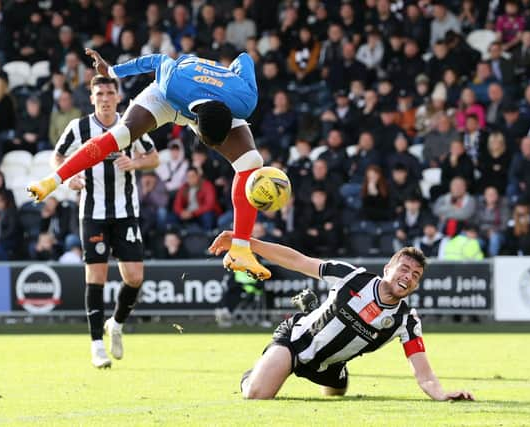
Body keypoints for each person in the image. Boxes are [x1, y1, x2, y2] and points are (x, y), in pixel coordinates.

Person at [28, 49, 271, 280]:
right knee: (120, 136)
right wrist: (112, 71)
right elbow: (158, 59)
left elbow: (244, 59)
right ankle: (53, 179)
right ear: (196, 124)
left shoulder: (245, 101)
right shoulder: (173, 82)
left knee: (252, 161)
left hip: (218, 98)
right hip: (167, 98)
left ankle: (240, 249)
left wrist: (226, 76)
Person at [208, 232, 474, 401]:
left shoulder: (406, 321)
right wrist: (245, 242)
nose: (408, 277)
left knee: (337, 394)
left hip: (330, 367)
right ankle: (252, 375)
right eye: (404, 269)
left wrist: (442, 395)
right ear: (387, 269)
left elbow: (423, 373)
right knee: (256, 394)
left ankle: (337, 369)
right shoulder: (352, 276)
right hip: (295, 343)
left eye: (415, 276)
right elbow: (298, 261)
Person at [50, 75, 159, 369]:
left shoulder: (130, 125)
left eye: (110, 92)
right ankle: (96, 345)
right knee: (95, 278)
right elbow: (57, 157)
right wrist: (68, 178)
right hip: (93, 214)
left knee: (135, 277)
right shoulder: (79, 127)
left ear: (118, 97)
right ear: (92, 98)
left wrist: (135, 162)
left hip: (125, 213)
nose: (105, 98)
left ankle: (117, 323)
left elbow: (154, 157)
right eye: (100, 93)